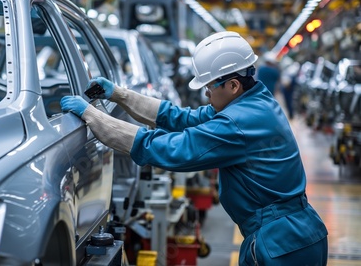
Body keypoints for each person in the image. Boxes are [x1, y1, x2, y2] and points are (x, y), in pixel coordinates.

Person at [60, 31, 328, 265]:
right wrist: (120, 94)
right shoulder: (252, 102)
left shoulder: (238, 122)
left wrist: (93, 117)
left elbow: (172, 149)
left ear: (233, 85)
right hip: (294, 237)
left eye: (209, 86)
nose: (206, 94)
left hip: (282, 245)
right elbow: (178, 117)